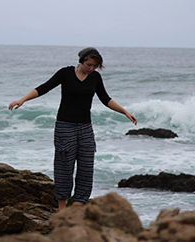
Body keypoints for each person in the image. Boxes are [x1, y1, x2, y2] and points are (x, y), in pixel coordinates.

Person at [9, 47, 137, 211]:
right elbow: (44, 88)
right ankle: (62, 209)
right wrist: (23, 99)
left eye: (94, 66)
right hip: (65, 127)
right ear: (81, 60)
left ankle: (78, 208)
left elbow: (105, 99)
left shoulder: (95, 78)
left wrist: (125, 111)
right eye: (89, 64)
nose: (91, 68)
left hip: (85, 128)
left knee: (86, 169)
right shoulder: (65, 73)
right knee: (64, 168)